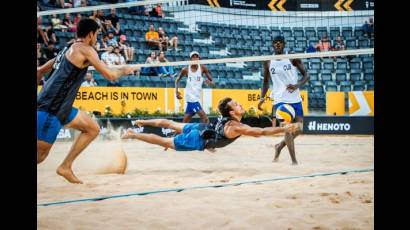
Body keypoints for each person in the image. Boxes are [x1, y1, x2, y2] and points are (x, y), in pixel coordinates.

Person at [37, 19, 135, 184]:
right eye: (97, 34)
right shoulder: (87, 50)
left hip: (62, 106)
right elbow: (110, 76)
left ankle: (65, 166)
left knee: (92, 128)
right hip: (52, 107)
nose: (97, 38)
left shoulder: (69, 47)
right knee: (40, 156)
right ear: (90, 34)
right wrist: (124, 70)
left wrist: (40, 72)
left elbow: (45, 67)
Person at [121, 97, 301, 152]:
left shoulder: (228, 118)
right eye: (236, 105)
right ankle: (133, 134)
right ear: (231, 112)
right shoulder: (236, 126)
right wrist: (283, 128)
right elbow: (260, 132)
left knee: (170, 123)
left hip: (201, 129)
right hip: (198, 138)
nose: (240, 105)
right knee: (165, 142)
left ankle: (142, 121)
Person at [257, 35, 309, 165]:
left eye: (280, 42)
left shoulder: (291, 57)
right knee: (287, 129)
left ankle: (279, 146)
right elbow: (265, 82)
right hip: (280, 100)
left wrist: (297, 85)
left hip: (295, 99)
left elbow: (306, 75)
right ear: (272, 45)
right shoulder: (268, 61)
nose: (278, 44)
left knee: (299, 129)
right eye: (275, 42)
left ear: (284, 44)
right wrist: (262, 98)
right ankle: (294, 161)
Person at [175, 51, 215, 123]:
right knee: (205, 118)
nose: (195, 58)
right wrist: (176, 92)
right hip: (191, 98)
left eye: (197, 57)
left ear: (199, 58)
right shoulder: (185, 70)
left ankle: (176, 134)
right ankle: (201, 133)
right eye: (193, 57)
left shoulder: (203, 68)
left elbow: (213, 83)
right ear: (190, 59)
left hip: (196, 97)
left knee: (184, 123)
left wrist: (210, 83)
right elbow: (177, 80)